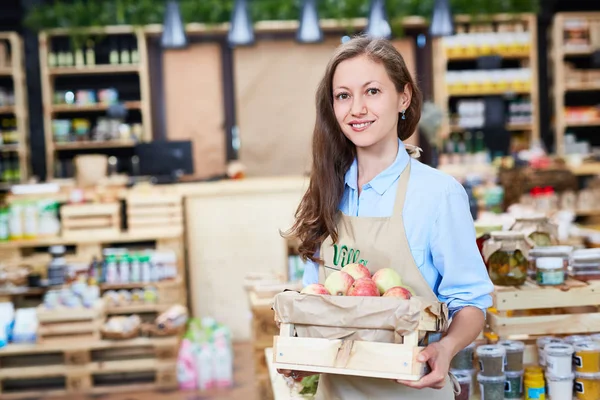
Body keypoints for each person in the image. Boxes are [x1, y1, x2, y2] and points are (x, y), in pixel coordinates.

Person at [279, 35, 494, 399]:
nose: (356, 108)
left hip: (412, 388)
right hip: (336, 390)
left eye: (372, 91)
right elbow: (314, 299)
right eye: (343, 95)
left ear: (404, 97)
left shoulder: (438, 194)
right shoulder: (328, 190)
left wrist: (445, 348)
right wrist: (299, 350)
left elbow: (472, 302)